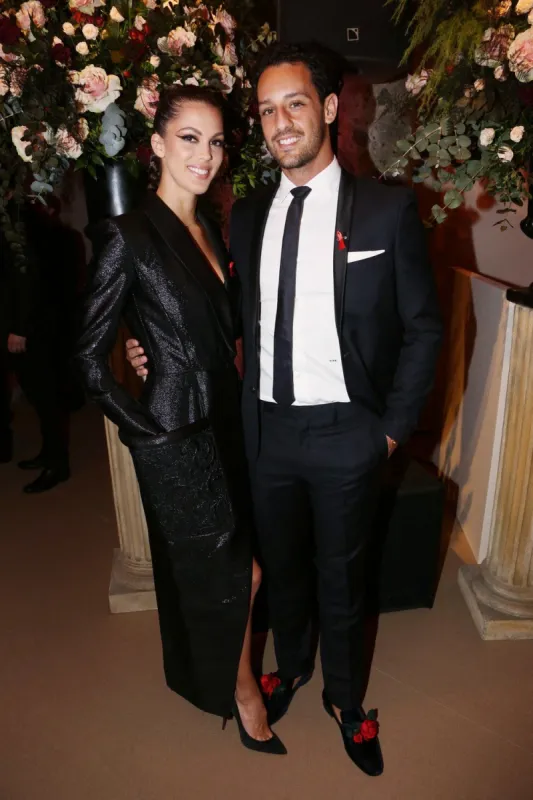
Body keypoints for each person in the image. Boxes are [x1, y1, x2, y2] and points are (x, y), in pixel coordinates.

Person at [127, 43, 442, 776]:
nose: (279, 123)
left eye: (294, 103)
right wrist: (152, 352)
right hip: (263, 428)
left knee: (342, 573)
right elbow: (221, 319)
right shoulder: (246, 217)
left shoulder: (388, 209)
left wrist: (392, 429)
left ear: (329, 108)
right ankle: (292, 666)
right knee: (282, 570)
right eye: (266, 110)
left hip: (347, 430)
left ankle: (346, 700)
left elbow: (424, 326)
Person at [76, 85, 285, 755]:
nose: (206, 154)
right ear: (157, 144)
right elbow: (85, 357)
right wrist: (143, 429)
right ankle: (243, 691)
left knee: (220, 569)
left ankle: (215, 675)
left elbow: (208, 328)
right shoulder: (125, 235)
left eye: (217, 140)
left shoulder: (209, 230)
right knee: (236, 575)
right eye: (190, 138)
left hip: (223, 419)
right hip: (175, 433)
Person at [0, 200, 77, 492]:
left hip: (29, 326)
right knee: (39, 394)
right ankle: (50, 454)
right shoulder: (16, 216)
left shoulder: (17, 218)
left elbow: (26, 276)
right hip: (28, 322)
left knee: (44, 395)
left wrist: (19, 328)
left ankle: (58, 465)